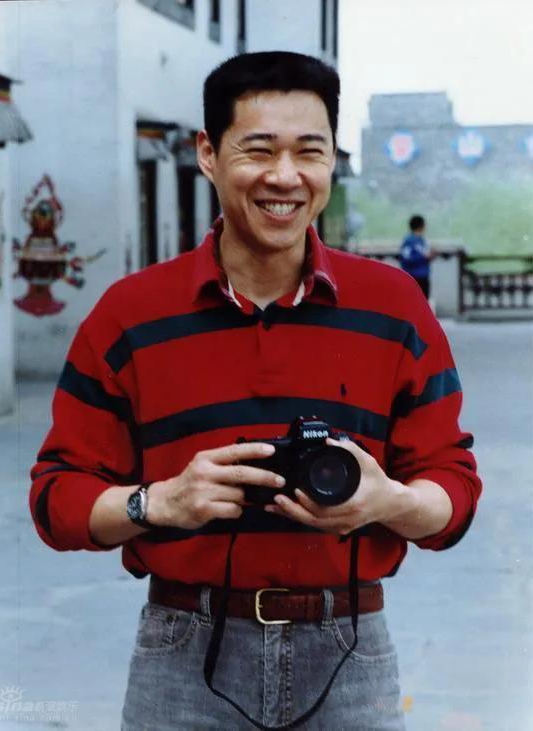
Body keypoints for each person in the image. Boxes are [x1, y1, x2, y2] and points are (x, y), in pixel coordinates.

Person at [29, 52, 482, 730]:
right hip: (183, 653)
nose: (285, 176)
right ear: (208, 154)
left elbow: (455, 489)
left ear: (332, 161)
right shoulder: (130, 314)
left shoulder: (394, 306)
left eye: (310, 151)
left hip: (351, 650)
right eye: (259, 150)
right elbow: (55, 499)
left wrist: (389, 500)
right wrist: (162, 501)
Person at [399, 214, 436, 299]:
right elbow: (406, 259)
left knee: (424, 301)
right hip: (412, 277)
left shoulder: (422, 240)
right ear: (421, 226)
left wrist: (430, 256)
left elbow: (426, 255)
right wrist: (424, 257)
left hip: (424, 276)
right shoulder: (408, 241)